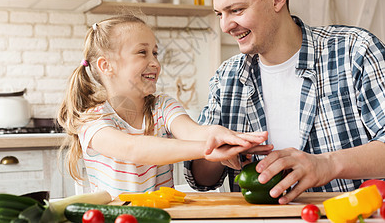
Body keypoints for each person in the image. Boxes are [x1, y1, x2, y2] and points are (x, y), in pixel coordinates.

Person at [184, 0, 385, 204]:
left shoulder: (354, 51)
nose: (225, 26)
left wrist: (327, 164)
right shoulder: (228, 77)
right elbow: (203, 179)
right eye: (219, 14)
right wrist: (216, 153)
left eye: (236, 10)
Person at [57, 14, 270, 198]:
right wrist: (207, 150)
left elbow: (194, 131)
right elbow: (134, 149)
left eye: (155, 53)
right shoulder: (93, 120)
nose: (155, 63)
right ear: (107, 66)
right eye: (142, 52)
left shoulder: (162, 106)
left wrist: (229, 137)